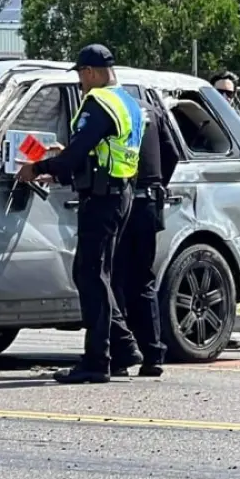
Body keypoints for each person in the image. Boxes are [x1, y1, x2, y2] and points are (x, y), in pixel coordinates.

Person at [17, 44, 143, 384]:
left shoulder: (98, 103)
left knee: (89, 275)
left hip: (102, 199)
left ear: (89, 72)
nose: (80, 82)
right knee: (98, 274)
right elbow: (99, 151)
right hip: (121, 193)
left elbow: (75, 158)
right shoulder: (129, 102)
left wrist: (38, 166)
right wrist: (64, 158)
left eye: (80, 75)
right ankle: (124, 347)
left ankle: (96, 362)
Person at [109, 93, 180, 377]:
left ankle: (121, 355)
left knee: (116, 279)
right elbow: (172, 153)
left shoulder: (110, 108)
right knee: (143, 280)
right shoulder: (151, 109)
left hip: (123, 200)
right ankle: (153, 354)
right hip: (150, 201)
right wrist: (157, 183)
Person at [209, 70, 240, 353]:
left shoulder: (236, 125)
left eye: (229, 93)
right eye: (219, 92)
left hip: (231, 204)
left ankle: (224, 328)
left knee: (229, 269)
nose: (224, 97)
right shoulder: (197, 120)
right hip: (205, 201)